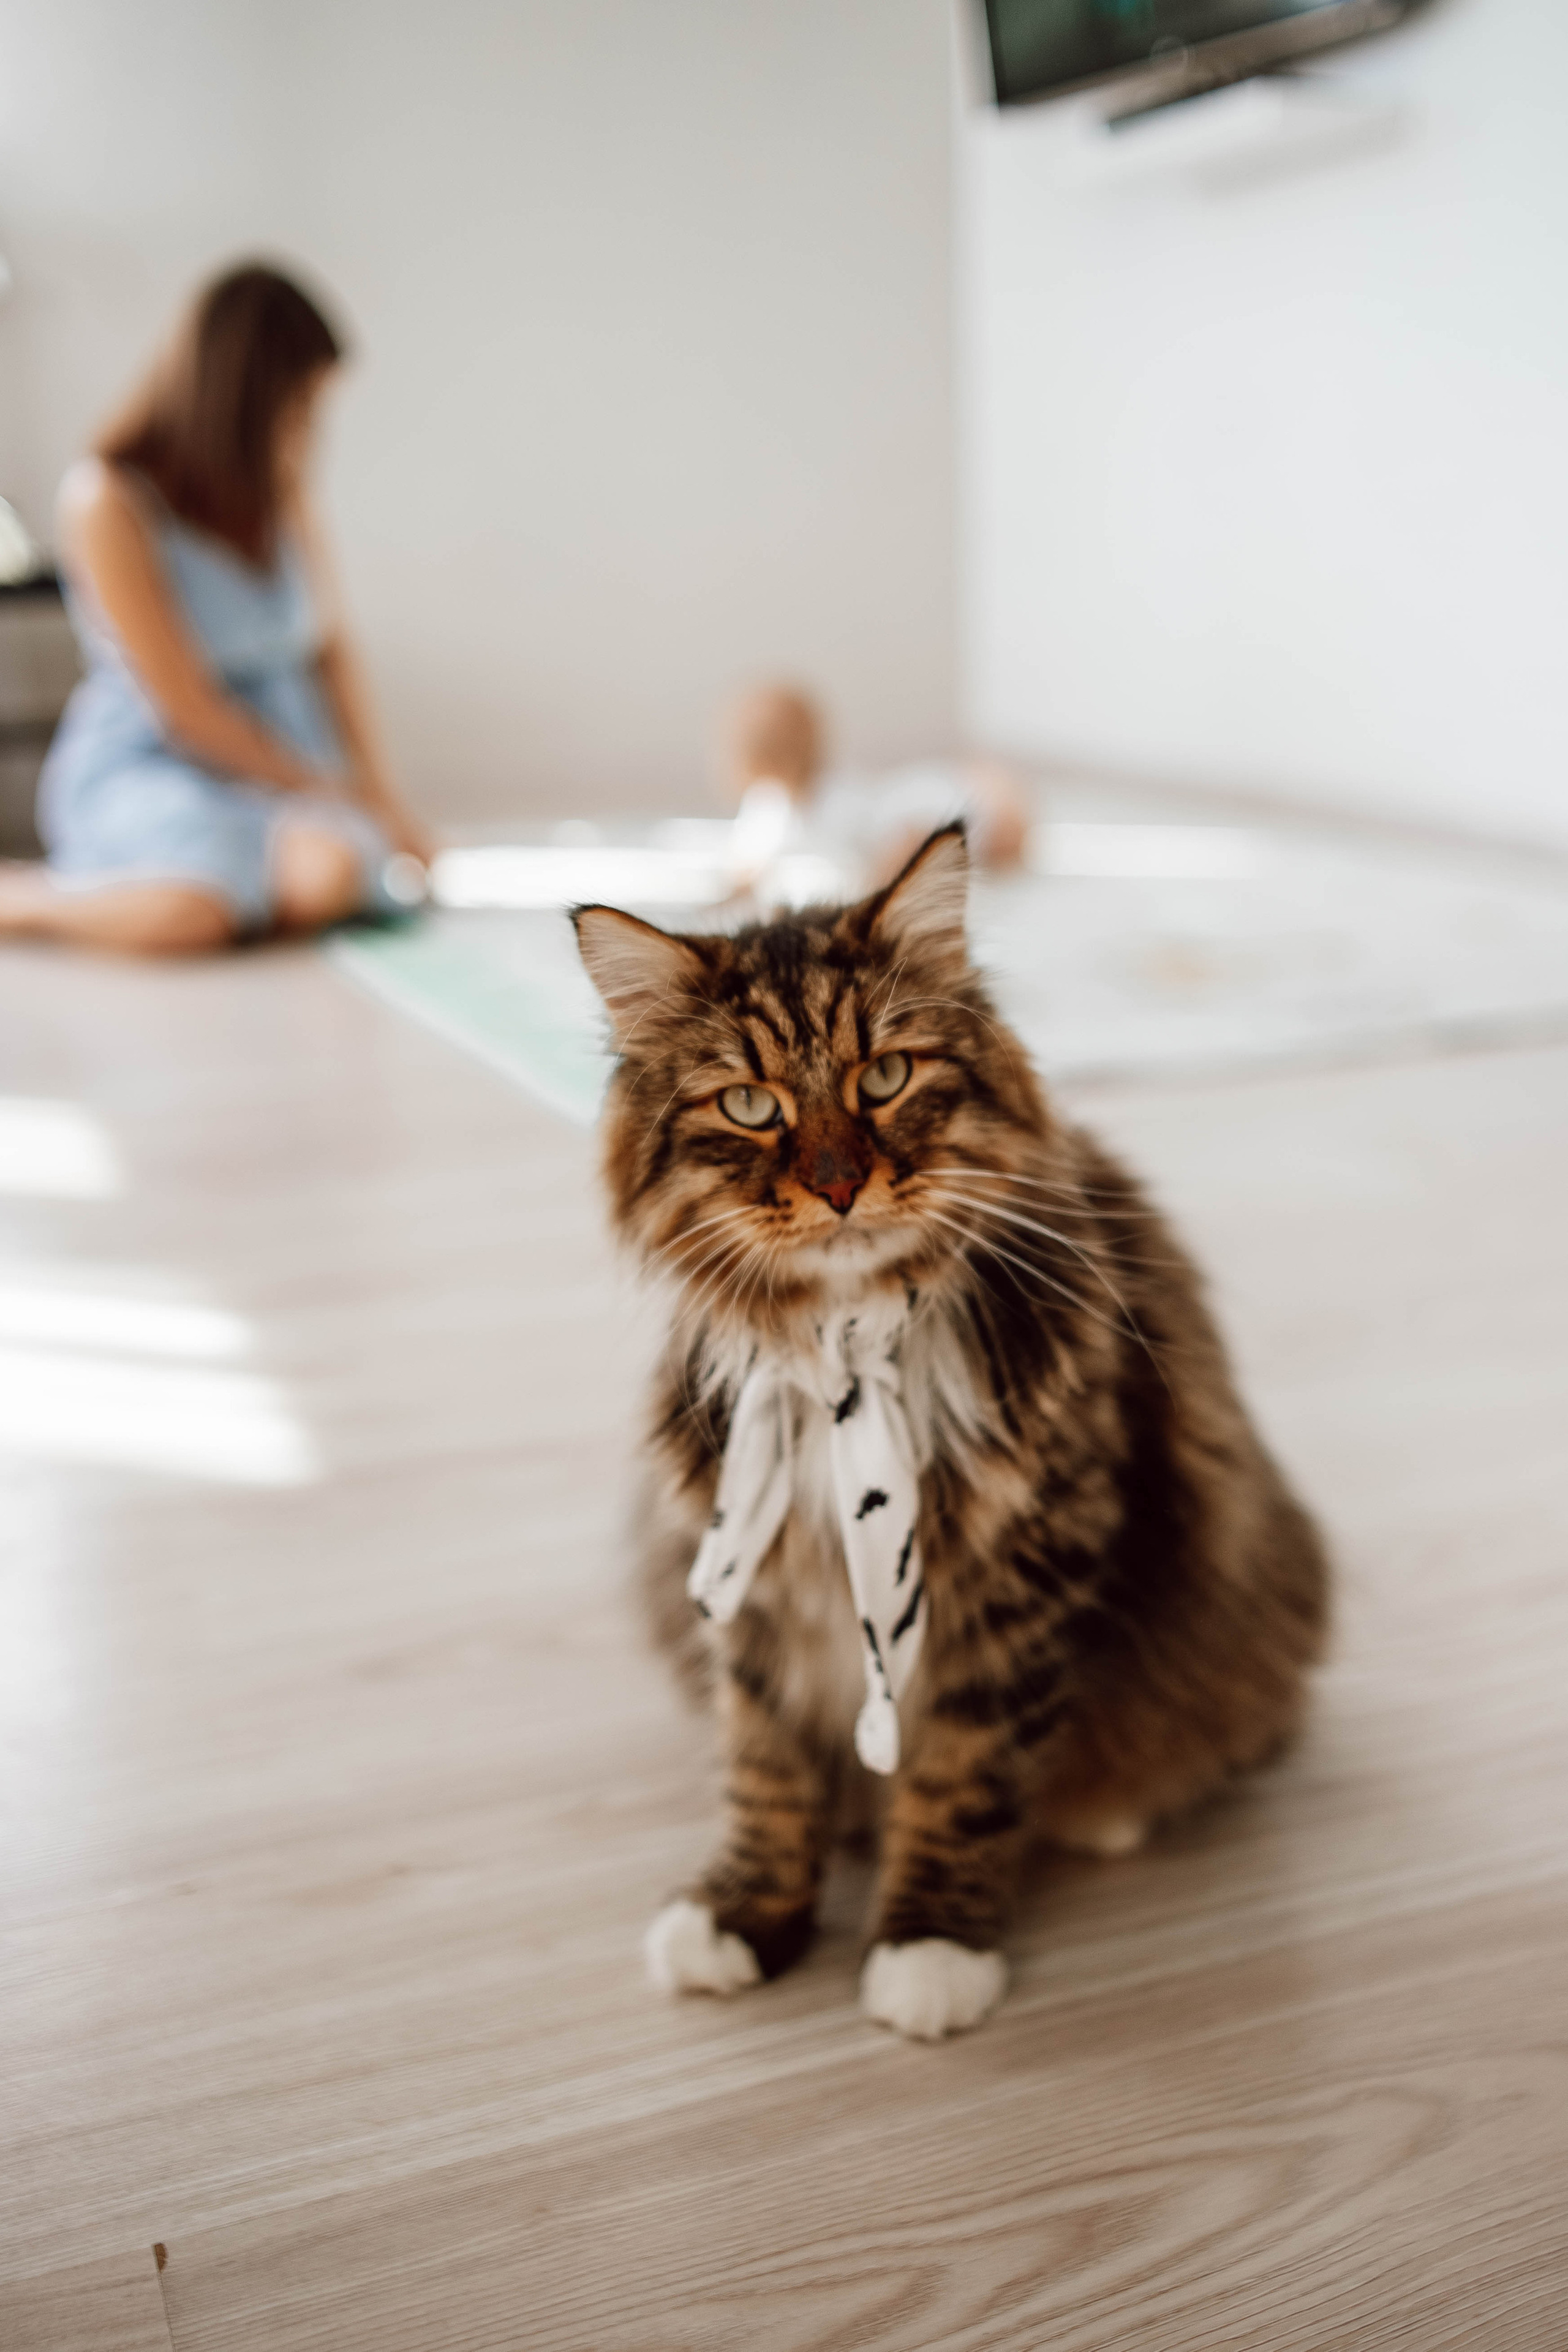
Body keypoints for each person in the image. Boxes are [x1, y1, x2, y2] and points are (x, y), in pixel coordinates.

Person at [0, 263, 433, 955]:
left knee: (326, 878)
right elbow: (186, 711)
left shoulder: (280, 494)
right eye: (296, 407)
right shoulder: (108, 499)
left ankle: (226, 894)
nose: (306, 430)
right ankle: (22, 899)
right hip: (156, 763)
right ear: (242, 400)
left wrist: (381, 796)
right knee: (192, 915)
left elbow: (327, 649)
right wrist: (332, 792)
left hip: (281, 768)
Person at [719, 680, 1031, 900]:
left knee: (984, 825)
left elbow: (904, 841)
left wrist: (874, 891)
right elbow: (746, 867)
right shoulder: (767, 807)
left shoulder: (837, 801)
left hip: (925, 804)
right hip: (921, 800)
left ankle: (993, 791)